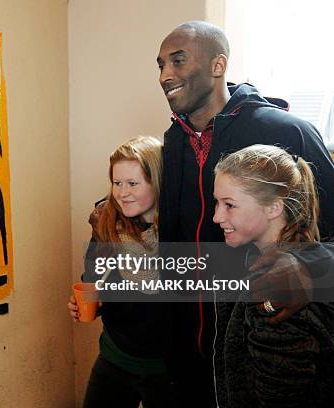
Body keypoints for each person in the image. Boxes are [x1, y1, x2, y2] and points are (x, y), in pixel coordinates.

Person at [153, 20, 334, 407]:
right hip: (189, 354)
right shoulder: (173, 140)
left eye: (178, 61)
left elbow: (327, 233)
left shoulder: (286, 132)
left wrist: (309, 267)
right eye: (161, 65)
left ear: (218, 65)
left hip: (263, 352)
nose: (166, 75)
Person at [212, 144, 334, 407]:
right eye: (217, 202)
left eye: (229, 205)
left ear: (273, 208)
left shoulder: (276, 287)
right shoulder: (271, 258)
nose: (216, 216)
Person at [69, 136, 173, 408]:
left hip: (167, 369)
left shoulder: (182, 230)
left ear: (157, 182)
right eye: (117, 183)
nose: (122, 193)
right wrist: (90, 302)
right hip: (115, 357)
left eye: (133, 183)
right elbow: (94, 278)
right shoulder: (105, 222)